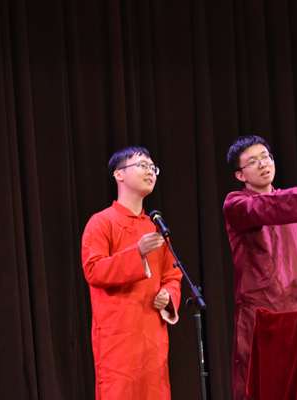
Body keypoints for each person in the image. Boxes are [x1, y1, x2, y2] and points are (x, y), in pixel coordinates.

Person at [223, 135, 297, 400]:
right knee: (261, 386)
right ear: (240, 175)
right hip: (260, 313)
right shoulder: (236, 204)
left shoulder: (295, 210)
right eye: (253, 161)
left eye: (266, 157)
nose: (263, 164)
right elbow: (265, 208)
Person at [81, 146, 183, 400]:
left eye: (153, 167)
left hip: (153, 335)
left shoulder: (155, 227)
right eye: (142, 165)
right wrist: (137, 253)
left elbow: (173, 275)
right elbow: (93, 270)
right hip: (118, 335)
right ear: (119, 174)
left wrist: (168, 295)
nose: (150, 172)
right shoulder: (101, 222)